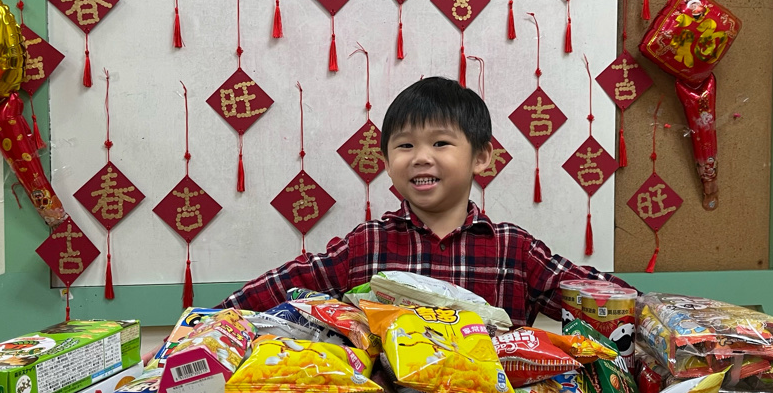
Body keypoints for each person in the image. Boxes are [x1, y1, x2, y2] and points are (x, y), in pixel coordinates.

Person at [219, 76, 632, 326]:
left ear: (481, 157)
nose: (420, 157)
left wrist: (653, 316)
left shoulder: (514, 249)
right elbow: (280, 287)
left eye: (440, 143)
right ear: (386, 162)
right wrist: (206, 324)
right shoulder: (367, 244)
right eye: (404, 145)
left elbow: (599, 298)